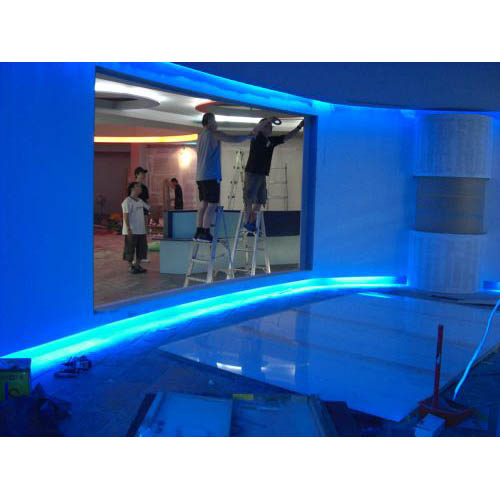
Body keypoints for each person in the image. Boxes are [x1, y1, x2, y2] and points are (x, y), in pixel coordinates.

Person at [194, 112, 252, 242]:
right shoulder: (213, 134)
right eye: (214, 120)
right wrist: (249, 136)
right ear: (209, 121)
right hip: (211, 175)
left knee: (203, 204)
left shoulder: (200, 136)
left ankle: (198, 231)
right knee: (212, 204)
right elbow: (233, 139)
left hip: (200, 176)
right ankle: (206, 232)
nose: (216, 123)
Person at [243, 117, 304, 232]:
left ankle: (252, 220)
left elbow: (287, 137)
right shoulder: (256, 137)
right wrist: (268, 120)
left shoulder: (271, 141)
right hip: (252, 173)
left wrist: (299, 127)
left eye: (270, 126)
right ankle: (246, 222)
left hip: (262, 174)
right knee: (249, 198)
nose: (269, 127)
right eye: (266, 126)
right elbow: (256, 129)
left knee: (261, 200)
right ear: (261, 127)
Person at [122, 182, 149, 274]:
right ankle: (131, 266)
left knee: (142, 248)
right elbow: (125, 215)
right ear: (132, 188)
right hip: (132, 230)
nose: (140, 188)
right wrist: (128, 228)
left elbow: (149, 208)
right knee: (130, 248)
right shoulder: (127, 201)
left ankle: (137, 265)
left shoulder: (140, 201)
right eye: (138, 186)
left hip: (141, 230)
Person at [130, 166, 150, 262]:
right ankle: (134, 257)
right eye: (142, 173)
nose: (144, 175)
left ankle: (142, 256)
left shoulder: (145, 188)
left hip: (144, 214)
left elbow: (147, 201)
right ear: (137, 174)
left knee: (143, 235)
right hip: (135, 215)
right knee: (135, 236)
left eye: (144, 173)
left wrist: (148, 214)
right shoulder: (132, 187)